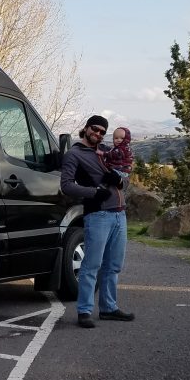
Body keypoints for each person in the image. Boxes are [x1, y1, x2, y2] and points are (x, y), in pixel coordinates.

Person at [59, 115, 134, 328]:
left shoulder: (107, 153)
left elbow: (125, 180)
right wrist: (94, 193)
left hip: (120, 214)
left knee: (114, 265)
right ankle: (84, 311)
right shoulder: (74, 154)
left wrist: (120, 180)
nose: (98, 134)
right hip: (98, 215)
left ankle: (109, 308)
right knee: (92, 265)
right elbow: (66, 185)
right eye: (95, 129)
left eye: (103, 131)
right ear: (86, 128)